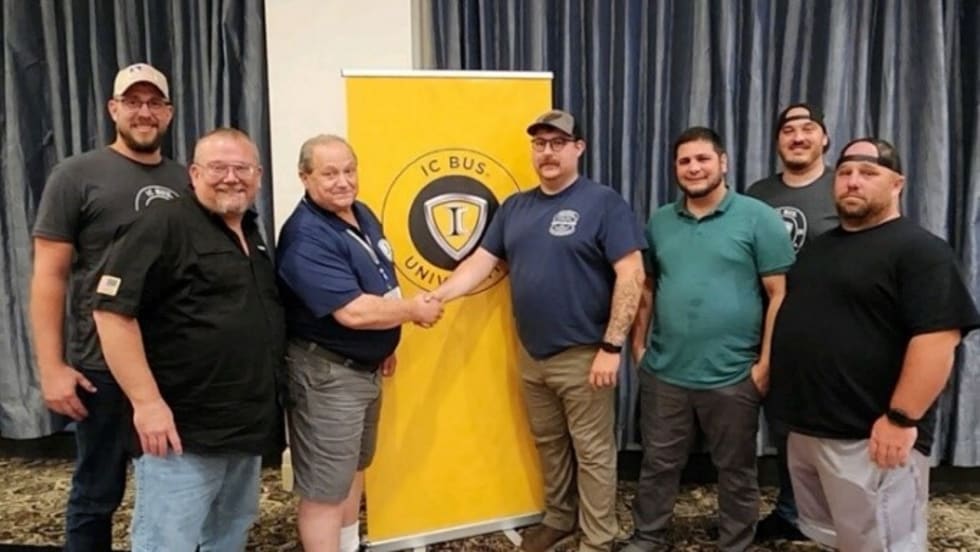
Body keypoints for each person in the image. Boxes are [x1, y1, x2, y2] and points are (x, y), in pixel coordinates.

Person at [430, 110, 646, 552]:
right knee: (549, 444)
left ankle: (599, 538)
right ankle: (560, 518)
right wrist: (439, 296)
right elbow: (479, 264)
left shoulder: (603, 203)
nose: (547, 152)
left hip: (586, 353)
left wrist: (611, 346)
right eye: (540, 144)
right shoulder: (515, 207)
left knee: (593, 453)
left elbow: (632, 274)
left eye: (557, 143)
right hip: (532, 354)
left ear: (578, 148)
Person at [770, 138, 980, 551]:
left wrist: (901, 418)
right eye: (845, 173)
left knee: (887, 543)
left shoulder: (921, 251)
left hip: (871, 435)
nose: (852, 182)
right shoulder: (819, 249)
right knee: (838, 536)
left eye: (868, 173)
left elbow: (938, 340)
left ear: (897, 183)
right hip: (809, 430)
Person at [91, 128, 284, 551]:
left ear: (259, 175)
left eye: (242, 168)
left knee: (227, 536)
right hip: (181, 436)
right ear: (194, 173)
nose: (231, 177)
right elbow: (111, 313)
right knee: (168, 542)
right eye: (218, 167)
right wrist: (146, 403)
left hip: (242, 433)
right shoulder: (161, 223)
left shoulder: (250, 230)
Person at [30, 62, 188, 551]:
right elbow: (48, 276)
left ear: (169, 112)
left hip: (174, 366)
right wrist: (52, 367)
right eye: (133, 102)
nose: (144, 112)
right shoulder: (76, 175)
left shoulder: (188, 179)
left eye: (154, 102)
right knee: (97, 492)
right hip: (100, 367)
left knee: (178, 492)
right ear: (113, 109)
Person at [622, 127, 795, 552]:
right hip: (665, 371)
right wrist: (639, 349)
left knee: (736, 469)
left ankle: (736, 543)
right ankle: (648, 537)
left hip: (734, 374)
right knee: (657, 464)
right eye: (684, 161)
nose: (694, 168)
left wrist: (765, 365)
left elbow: (779, 295)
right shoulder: (661, 220)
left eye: (702, 159)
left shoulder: (758, 217)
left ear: (723, 163)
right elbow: (646, 288)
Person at [276, 134, 443, 552]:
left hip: (361, 368)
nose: (343, 182)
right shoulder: (305, 236)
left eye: (349, 170)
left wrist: (384, 344)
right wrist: (412, 311)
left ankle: (349, 546)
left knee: (352, 471)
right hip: (328, 376)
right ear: (304, 177)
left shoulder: (360, 213)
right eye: (329, 173)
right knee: (324, 490)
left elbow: (380, 281)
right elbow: (350, 312)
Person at [745, 102, 838, 542]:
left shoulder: (845, 185)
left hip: (834, 332)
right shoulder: (758, 194)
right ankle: (790, 511)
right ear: (778, 141)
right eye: (788, 130)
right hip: (770, 332)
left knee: (832, 432)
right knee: (783, 430)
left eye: (807, 129)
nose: (798, 137)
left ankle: (837, 515)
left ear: (824, 138)